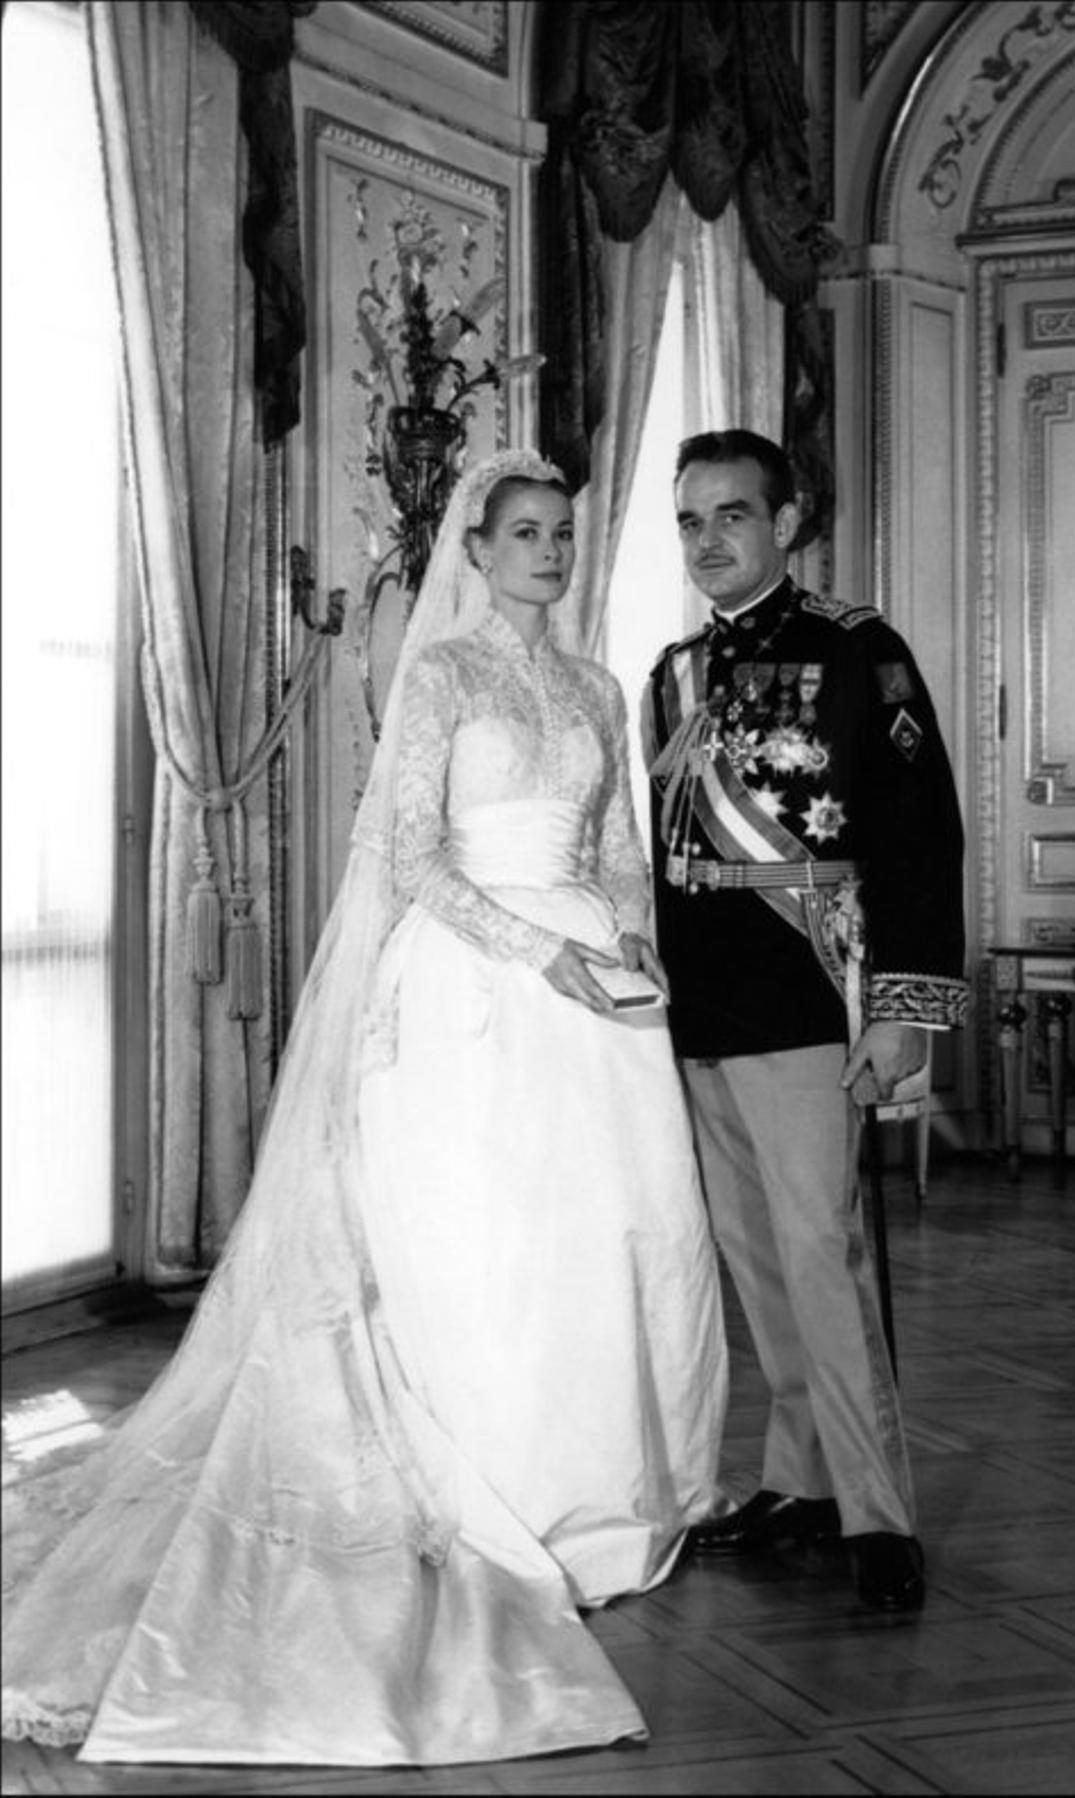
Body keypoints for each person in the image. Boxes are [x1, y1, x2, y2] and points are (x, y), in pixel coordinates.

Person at [1, 450, 729, 1766]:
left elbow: (617, 845)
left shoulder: (598, 684)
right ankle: (475, 1485)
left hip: (597, 996)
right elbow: (406, 853)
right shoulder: (441, 676)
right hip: (474, 978)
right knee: (478, 1233)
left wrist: (631, 935)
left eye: (566, 533)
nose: (551, 552)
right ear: (480, 547)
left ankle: (596, 1503)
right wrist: (536, 948)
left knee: (605, 1234)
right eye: (526, 532)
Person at [642, 429, 967, 1615]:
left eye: (732, 515)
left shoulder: (857, 650)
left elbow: (923, 836)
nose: (709, 541)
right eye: (689, 521)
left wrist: (908, 1011)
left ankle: (879, 1511)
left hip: (804, 990)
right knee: (756, 1260)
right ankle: (802, 1479)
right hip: (698, 999)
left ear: (787, 523)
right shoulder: (670, 674)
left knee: (824, 1256)